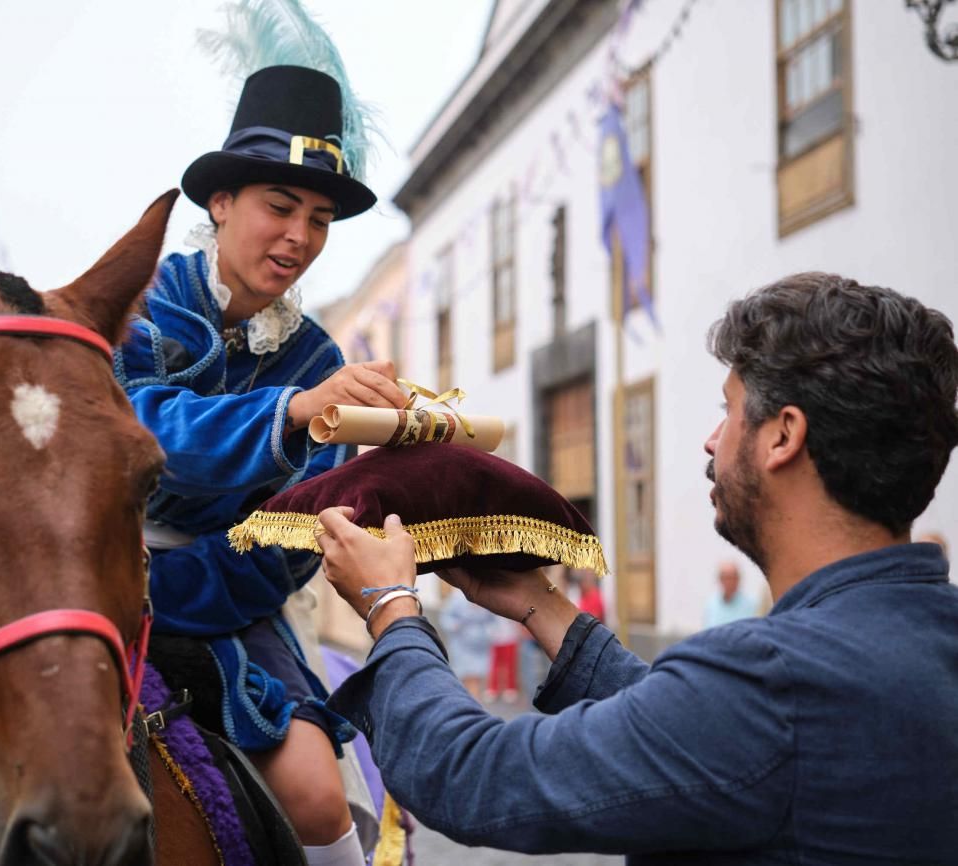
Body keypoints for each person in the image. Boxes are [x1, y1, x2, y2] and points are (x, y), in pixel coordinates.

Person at [314, 274, 958, 862]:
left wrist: (389, 606)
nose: (712, 440)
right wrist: (543, 605)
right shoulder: (924, 642)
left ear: (782, 436)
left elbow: (471, 777)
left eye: (728, 410)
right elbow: (693, 736)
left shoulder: (774, 681)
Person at [114, 62, 398, 864]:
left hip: (225, 608)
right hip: (80, 582)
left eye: (319, 219)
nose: (299, 238)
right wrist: (296, 411)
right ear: (221, 202)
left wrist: (158, 593)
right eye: (279, 207)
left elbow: (293, 539)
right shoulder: (135, 303)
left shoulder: (320, 355)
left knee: (313, 791)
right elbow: (137, 433)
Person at [437, 587, 496, 701]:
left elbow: (493, 620)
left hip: (480, 644)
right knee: (466, 677)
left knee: (476, 677)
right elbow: (445, 617)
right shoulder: (456, 597)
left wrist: (489, 631)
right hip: (461, 643)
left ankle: (473, 705)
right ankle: (471, 704)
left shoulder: (486, 594)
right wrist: (455, 625)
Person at [703, 560, 756, 628]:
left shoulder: (752, 604)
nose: (730, 582)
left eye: (733, 578)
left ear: (738, 579)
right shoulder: (711, 604)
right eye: (726, 578)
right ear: (720, 580)